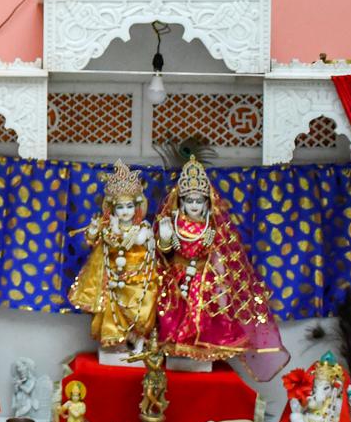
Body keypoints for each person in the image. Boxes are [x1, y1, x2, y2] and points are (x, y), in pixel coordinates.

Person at [155, 156, 288, 380]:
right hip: (176, 278)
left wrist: (219, 279)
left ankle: (200, 355)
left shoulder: (212, 227)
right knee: (172, 313)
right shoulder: (172, 223)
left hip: (202, 278)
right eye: (189, 201)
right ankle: (179, 351)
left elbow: (220, 257)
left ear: (207, 203)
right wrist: (166, 239)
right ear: (181, 202)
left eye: (199, 201)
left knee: (204, 312)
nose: (194, 206)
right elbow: (165, 254)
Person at [68, 161, 158, 355]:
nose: (125, 211)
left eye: (129, 206)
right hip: (114, 279)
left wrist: (120, 233)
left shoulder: (143, 228)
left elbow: (139, 241)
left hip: (139, 280)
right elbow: (92, 240)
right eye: (120, 207)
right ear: (112, 209)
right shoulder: (108, 228)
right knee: (112, 310)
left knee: (143, 308)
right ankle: (119, 341)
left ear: (137, 206)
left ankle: (140, 338)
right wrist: (94, 229)